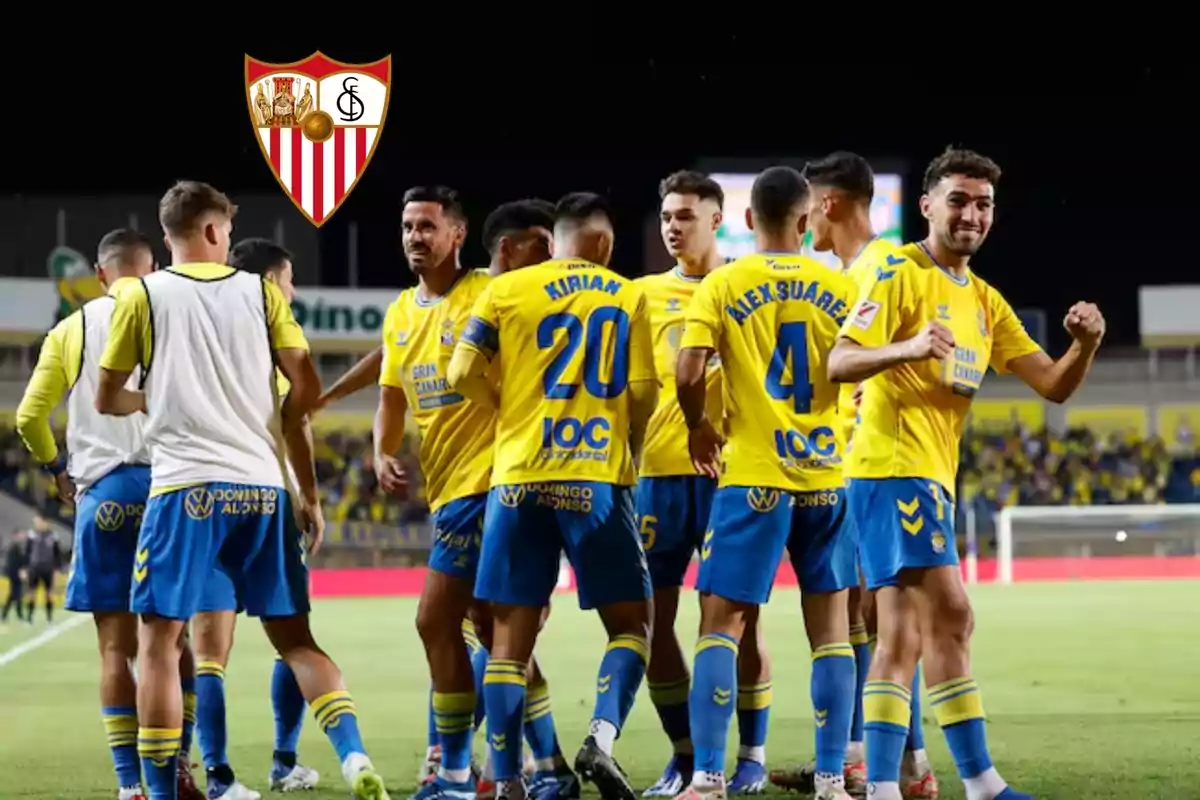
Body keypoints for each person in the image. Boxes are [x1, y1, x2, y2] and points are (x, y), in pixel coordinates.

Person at [95, 180, 390, 800]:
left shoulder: (140, 297)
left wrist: (163, 401)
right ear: (210, 230)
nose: (228, 240)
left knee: (158, 645)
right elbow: (303, 391)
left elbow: (107, 398)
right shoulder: (260, 292)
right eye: (226, 231)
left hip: (184, 490)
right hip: (261, 488)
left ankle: (159, 789)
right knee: (296, 641)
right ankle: (354, 756)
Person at [828, 147, 1105, 800]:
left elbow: (1052, 385)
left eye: (982, 204)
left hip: (927, 477)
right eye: (957, 200)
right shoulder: (898, 270)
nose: (971, 215)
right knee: (952, 615)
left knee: (901, 636)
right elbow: (840, 360)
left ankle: (890, 789)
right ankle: (980, 782)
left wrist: (1085, 345)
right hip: (894, 470)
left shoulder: (984, 301)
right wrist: (910, 347)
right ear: (926, 206)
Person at [449, 192, 658, 800]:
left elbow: (463, 372)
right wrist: (628, 443)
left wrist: (511, 409)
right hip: (597, 477)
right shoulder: (627, 295)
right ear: (601, 243)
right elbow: (643, 392)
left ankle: (509, 780)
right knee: (631, 628)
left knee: (510, 643)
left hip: (518, 478)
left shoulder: (505, 290)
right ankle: (600, 735)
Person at [373, 187, 573, 800]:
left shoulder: (489, 289)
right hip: (448, 488)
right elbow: (389, 394)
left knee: (436, 620)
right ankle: (551, 767)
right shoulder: (401, 313)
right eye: (408, 226)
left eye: (427, 226)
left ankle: (454, 771)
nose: (414, 237)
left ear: (458, 235)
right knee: (493, 633)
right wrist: (383, 447)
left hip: (493, 482)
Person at [670, 166, 860, 800]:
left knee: (721, 626)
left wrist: (698, 427)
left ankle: (707, 778)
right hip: (827, 477)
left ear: (748, 220)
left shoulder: (724, 283)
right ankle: (833, 775)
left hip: (751, 475)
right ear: (806, 222)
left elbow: (689, 366)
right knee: (831, 632)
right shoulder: (841, 285)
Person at [770, 151, 939, 798]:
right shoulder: (854, 271)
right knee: (860, 613)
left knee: (880, 613)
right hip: (848, 465)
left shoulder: (884, 267)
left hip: (877, 467)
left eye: (812, 204)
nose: (806, 217)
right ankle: (864, 756)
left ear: (830, 205)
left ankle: (908, 764)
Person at [15, 228, 206, 800]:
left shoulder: (71, 329)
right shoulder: (174, 318)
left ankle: (130, 786)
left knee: (115, 650)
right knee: (175, 642)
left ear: (99, 275)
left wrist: (56, 470)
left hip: (103, 496)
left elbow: (29, 417)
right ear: (153, 272)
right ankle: (177, 767)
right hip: (173, 491)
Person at [635, 170, 770, 797]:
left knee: (741, 623)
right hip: (659, 476)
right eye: (666, 215)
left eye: (685, 215)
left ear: (717, 220)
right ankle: (686, 754)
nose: (672, 226)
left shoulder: (744, 287)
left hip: (732, 477)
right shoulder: (641, 295)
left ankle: (752, 755)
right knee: (653, 625)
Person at [175, 237, 320, 798]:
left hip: (199, 500)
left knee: (205, 652)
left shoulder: (192, 335)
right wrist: (310, 498)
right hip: (268, 505)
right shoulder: (274, 344)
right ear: (268, 283)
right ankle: (284, 763)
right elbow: (298, 422)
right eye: (287, 279)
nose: (293, 291)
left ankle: (212, 773)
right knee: (294, 639)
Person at [23, 514, 62, 623]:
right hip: (34, 568)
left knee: (49, 593)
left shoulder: (53, 536)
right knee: (31, 593)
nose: (40, 523)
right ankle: (29, 617)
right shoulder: (32, 535)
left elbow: (57, 554)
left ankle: (49, 618)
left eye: (42, 521)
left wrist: (57, 569)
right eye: (38, 521)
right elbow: (27, 553)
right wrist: (24, 568)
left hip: (48, 568)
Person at [2, 528, 27, 625]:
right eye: (20, 534)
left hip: (15, 574)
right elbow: (13, 563)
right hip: (15, 575)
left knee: (13, 595)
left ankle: (4, 614)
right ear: (16, 535)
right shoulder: (13, 548)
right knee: (17, 595)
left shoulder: (17, 547)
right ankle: (19, 615)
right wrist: (20, 572)